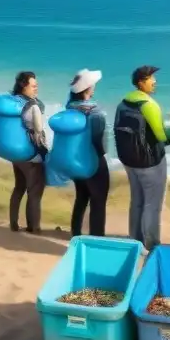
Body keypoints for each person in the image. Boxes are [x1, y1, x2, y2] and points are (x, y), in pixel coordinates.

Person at [114, 65, 170, 249]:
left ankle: (135, 239)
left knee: (137, 200)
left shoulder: (123, 104)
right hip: (150, 163)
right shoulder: (149, 105)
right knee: (153, 204)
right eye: (151, 78)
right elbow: (161, 136)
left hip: (129, 161)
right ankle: (151, 244)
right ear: (141, 82)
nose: (155, 82)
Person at [66, 69, 109, 236]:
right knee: (98, 202)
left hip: (75, 160)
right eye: (93, 85)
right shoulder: (95, 112)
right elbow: (98, 142)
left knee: (81, 198)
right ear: (88, 88)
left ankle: (75, 235)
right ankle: (97, 238)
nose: (94, 87)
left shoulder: (70, 107)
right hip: (93, 160)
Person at [9, 71, 48, 234]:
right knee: (35, 192)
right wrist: (46, 150)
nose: (36, 88)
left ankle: (13, 223)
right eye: (33, 85)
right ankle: (34, 227)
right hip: (31, 155)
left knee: (19, 188)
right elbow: (38, 130)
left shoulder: (14, 102)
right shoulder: (33, 106)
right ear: (24, 86)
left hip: (16, 153)